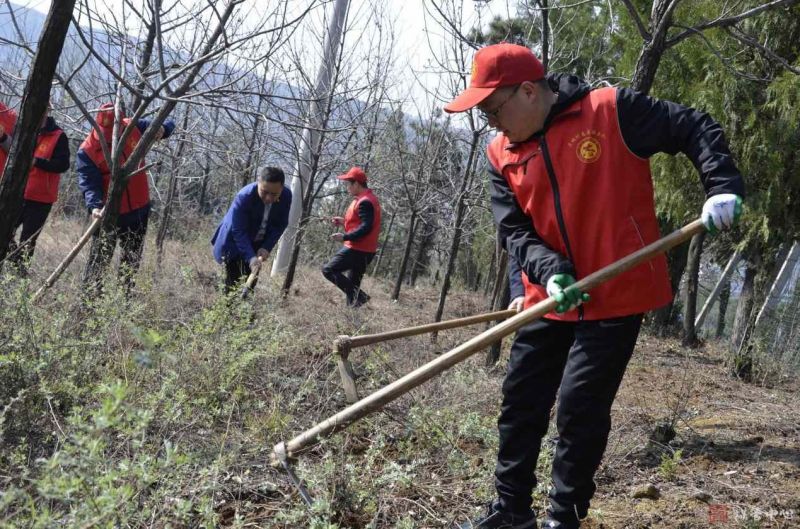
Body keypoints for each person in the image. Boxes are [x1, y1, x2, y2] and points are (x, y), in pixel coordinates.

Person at [444, 43, 744, 529]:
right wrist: (550, 271)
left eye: (493, 110)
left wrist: (722, 184)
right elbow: (514, 230)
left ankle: (564, 517)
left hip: (615, 294)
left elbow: (692, 125)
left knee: (580, 409)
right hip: (550, 296)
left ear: (526, 90)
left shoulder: (609, 111)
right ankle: (510, 510)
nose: (492, 124)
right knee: (521, 401)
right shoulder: (500, 153)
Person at [77, 103, 175, 293]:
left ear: (121, 124)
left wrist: (164, 129)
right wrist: (95, 206)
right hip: (108, 213)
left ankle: (124, 299)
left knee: (131, 260)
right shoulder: (88, 149)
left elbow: (169, 123)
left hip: (139, 209)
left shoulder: (135, 127)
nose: (109, 139)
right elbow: (89, 182)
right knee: (99, 260)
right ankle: (89, 303)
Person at [2, 102, 71, 275]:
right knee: (3, 232)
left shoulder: (58, 136)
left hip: (41, 199)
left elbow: (63, 164)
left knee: (27, 243)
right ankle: (15, 265)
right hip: (18, 194)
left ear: (48, 111)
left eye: (44, 109)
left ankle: (20, 280)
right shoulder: (23, 130)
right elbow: (12, 150)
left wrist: (38, 162)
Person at [211, 166, 291, 293]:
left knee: (249, 286)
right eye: (264, 192)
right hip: (234, 244)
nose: (269, 198)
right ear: (258, 182)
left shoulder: (287, 196)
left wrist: (266, 247)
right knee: (231, 287)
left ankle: (243, 307)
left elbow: (280, 224)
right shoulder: (244, 196)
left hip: (257, 244)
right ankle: (226, 310)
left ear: (281, 188)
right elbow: (238, 231)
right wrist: (251, 257)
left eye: (274, 194)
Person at [322, 166, 381, 307]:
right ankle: (351, 321)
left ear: (356, 184)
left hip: (358, 249)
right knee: (352, 286)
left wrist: (345, 237)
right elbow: (362, 222)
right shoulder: (365, 198)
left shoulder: (365, 201)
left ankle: (359, 296)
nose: (347, 187)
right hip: (365, 250)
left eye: (348, 184)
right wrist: (344, 222)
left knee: (328, 270)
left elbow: (366, 227)